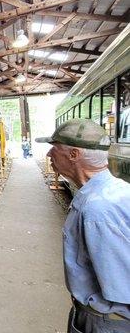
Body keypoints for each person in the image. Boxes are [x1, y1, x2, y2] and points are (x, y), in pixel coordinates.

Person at [36, 119, 130, 333]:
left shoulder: (97, 211)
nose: (49, 155)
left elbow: (125, 284)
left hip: (107, 323)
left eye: (55, 148)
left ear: (74, 155)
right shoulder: (118, 189)